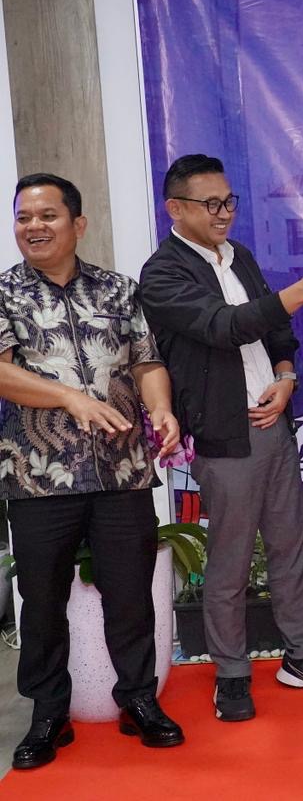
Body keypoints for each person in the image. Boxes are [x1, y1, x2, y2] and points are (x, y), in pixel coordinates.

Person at [138, 154, 303, 721]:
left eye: (229, 201)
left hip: (273, 422)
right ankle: (232, 673)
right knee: (231, 560)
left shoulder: (241, 256)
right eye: (210, 204)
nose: (224, 213)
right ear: (175, 209)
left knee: (290, 547)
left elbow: (275, 331)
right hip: (225, 433)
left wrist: (286, 378)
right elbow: (224, 326)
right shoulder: (162, 274)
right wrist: (300, 292)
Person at [1, 173, 184, 769]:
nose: (34, 226)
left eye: (47, 215)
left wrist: (161, 408)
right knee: (41, 600)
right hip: (38, 477)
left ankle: (139, 700)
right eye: (24, 217)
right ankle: (48, 713)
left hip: (122, 472)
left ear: (77, 224)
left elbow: (147, 362)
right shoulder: (4, 293)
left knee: (130, 594)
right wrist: (69, 398)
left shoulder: (119, 290)